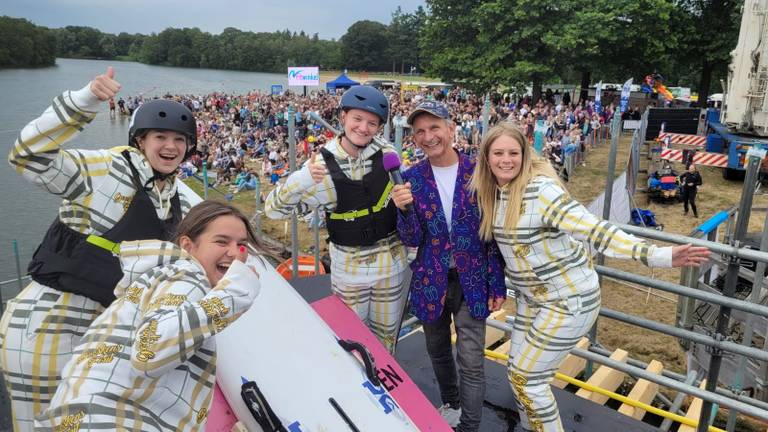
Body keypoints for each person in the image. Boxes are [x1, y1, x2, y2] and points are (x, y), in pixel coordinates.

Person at [468, 123, 710, 432]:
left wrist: (658, 255)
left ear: (525, 156)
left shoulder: (542, 192)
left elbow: (595, 229)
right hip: (533, 299)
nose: (506, 160)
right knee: (517, 370)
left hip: (568, 301)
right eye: (498, 153)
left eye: (514, 153)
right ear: (486, 158)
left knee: (527, 378)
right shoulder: (492, 193)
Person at [0, 67, 199, 430]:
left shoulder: (172, 198)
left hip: (100, 336)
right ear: (140, 140)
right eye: (160, 136)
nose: (171, 146)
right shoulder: (107, 168)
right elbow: (28, 156)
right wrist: (84, 99)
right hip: (48, 327)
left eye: (180, 140)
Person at [35, 201, 266, 431]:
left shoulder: (161, 276)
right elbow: (150, 352)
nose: (235, 253)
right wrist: (237, 291)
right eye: (221, 241)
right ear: (188, 245)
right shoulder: (188, 275)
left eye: (242, 245)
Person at [264, 85, 408, 353]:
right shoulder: (320, 167)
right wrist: (299, 180)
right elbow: (273, 210)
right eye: (357, 119)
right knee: (350, 339)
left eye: (372, 123)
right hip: (349, 269)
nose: (364, 128)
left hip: (390, 266)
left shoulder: (388, 154)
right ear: (343, 117)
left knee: (386, 341)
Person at [391, 101, 506, 431]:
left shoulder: (480, 172)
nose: (428, 137)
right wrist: (403, 210)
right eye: (420, 132)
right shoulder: (410, 179)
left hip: (473, 280)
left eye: (434, 128)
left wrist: (497, 284)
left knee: (471, 361)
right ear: (414, 138)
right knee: (437, 350)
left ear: (451, 127)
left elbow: (492, 235)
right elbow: (411, 238)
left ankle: (469, 425)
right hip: (431, 279)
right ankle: (451, 403)